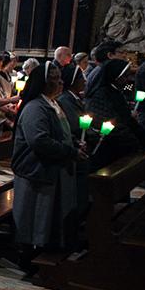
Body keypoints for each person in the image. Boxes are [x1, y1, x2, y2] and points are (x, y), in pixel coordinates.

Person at [11, 62, 80, 269]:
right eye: (54, 78)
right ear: (42, 82)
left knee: (44, 215)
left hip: (50, 169)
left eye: (59, 78)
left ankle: (44, 248)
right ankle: (28, 254)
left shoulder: (52, 103)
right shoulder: (35, 107)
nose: (59, 82)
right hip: (35, 171)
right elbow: (39, 141)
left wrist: (74, 143)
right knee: (33, 215)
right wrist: (69, 151)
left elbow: (59, 132)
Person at [84, 59, 145, 171]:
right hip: (108, 146)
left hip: (119, 141)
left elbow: (127, 116)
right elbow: (111, 122)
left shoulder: (115, 90)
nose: (127, 80)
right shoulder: (102, 93)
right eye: (125, 76)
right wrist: (133, 141)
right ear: (115, 77)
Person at [57, 63, 90, 214]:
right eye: (81, 77)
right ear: (73, 81)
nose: (85, 80)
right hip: (71, 148)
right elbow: (74, 125)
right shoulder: (65, 100)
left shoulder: (74, 98)